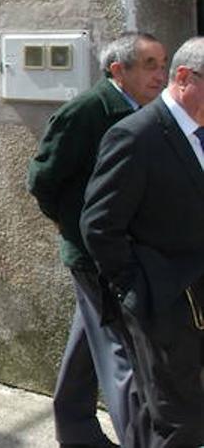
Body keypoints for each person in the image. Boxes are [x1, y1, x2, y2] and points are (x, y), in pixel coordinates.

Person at [28, 32, 165, 447]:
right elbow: (42, 179)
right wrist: (71, 227)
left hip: (121, 246)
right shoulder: (88, 111)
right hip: (95, 253)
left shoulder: (144, 109)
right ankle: (138, 440)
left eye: (162, 64)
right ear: (117, 70)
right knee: (122, 354)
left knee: (88, 341)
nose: (159, 75)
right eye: (149, 65)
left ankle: (74, 429)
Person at [83, 36, 204, 446]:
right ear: (185, 78)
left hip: (197, 302)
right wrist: (137, 291)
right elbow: (100, 225)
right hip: (163, 305)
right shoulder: (136, 136)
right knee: (177, 420)